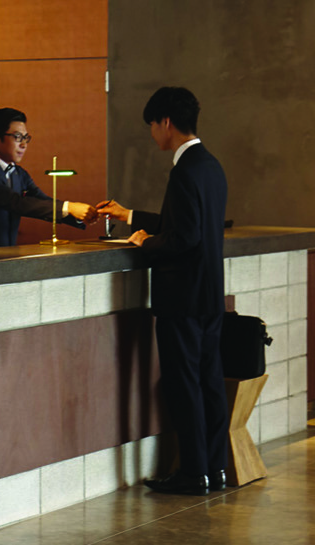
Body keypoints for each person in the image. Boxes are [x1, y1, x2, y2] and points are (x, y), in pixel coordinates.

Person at [94, 87, 229, 496]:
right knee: (209, 383)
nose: (153, 135)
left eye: (152, 126)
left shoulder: (184, 170)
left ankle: (192, 473)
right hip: (208, 295)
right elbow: (190, 224)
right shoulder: (211, 166)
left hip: (181, 298)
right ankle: (214, 469)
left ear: (165, 122)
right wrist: (131, 215)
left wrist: (142, 243)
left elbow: (182, 237)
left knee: (184, 384)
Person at [0, 107, 94, 250]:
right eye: (17, 137)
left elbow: (41, 200)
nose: (24, 144)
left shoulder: (19, 173)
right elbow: (16, 202)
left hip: (5, 258)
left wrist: (79, 214)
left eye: (26, 138)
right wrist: (68, 207)